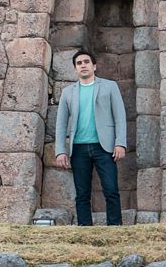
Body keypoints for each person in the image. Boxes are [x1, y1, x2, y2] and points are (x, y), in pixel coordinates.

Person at [53, 50, 127, 226]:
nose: (83, 65)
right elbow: (61, 124)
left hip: (105, 147)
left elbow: (120, 116)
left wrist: (120, 143)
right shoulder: (68, 92)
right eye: (79, 63)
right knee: (82, 194)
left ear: (94, 66)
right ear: (75, 69)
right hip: (78, 148)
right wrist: (60, 151)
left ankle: (115, 230)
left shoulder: (109, 86)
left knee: (111, 190)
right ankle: (85, 230)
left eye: (86, 62)